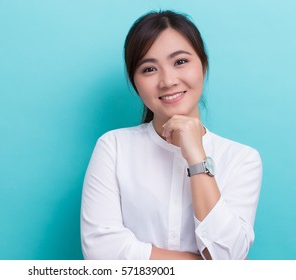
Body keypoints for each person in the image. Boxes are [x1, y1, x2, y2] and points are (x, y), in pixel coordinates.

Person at [80, 10, 262, 260]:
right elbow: (101, 252)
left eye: (180, 62)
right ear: (135, 82)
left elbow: (227, 255)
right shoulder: (114, 147)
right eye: (149, 69)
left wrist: (197, 158)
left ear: (203, 65)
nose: (167, 81)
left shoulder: (242, 159)